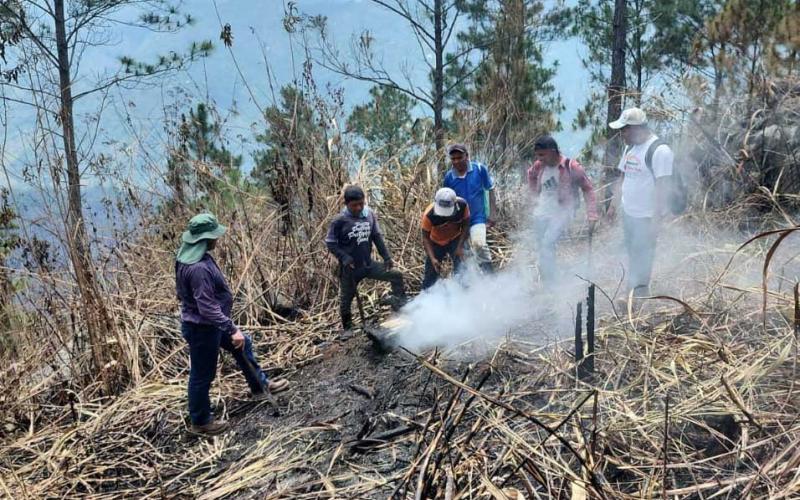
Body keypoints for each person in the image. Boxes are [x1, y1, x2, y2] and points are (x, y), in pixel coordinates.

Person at [176, 213, 289, 436]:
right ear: (204, 239)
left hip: (213, 324)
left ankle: (260, 386)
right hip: (203, 328)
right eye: (214, 235)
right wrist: (231, 328)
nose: (218, 239)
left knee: (243, 343)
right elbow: (206, 307)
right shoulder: (197, 268)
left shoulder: (194, 257)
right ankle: (200, 421)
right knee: (202, 374)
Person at [606, 107, 675, 299]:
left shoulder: (660, 151)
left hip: (646, 218)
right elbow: (622, 178)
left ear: (636, 128)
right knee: (633, 256)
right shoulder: (630, 148)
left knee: (643, 258)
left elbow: (663, 188)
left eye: (624, 130)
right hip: (630, 215)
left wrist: (655, 222)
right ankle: (633, 295)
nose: (621, 135)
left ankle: (638, 300)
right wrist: (613, 206)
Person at [326, 185, 407, 331]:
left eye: (361, 204)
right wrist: (344, 257)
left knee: (396, 276)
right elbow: (330, 242)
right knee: (346, 299)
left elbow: (376, 236)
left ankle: (400, 307)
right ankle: (348, 329)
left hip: (367, 264)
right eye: (354, 205)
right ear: (346, 204)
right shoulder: (339, 220)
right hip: (350, 269)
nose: (358, 208)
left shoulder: (369, 214)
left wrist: (386, 257)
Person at [527, 135, 598, 283]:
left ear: (553, 151)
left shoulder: (571, 167)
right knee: (542, 246)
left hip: (563, 211)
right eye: (537, 155)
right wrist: (534, 196)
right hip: (542, 209)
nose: (539, 159)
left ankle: (552, 285)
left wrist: (591, 215)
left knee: (547, 243)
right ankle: (548, 277)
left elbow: (588, 189)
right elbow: (531, 175)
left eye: (542, 155)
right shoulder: (540, 165)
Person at [443, 143, 498, 272]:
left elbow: (490, 189)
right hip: (460, 221)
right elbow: (447, 201)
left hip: (478, 217)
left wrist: (493, 214)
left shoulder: (479, 169)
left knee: (479, 244)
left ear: (466, 156)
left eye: (459, 157)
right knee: (464, 254)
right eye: (453, 159)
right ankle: (472, 284)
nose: (456, 161)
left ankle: (490, 275)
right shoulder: (449, 178)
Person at [420, 187, 471, 289]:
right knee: (431, 273)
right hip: (436, 242)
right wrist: (433, 258)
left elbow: (466, 225)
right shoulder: (429, 215)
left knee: (462, 268)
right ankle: (426, 297)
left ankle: (464, 292)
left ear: (454, 204)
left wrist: (460, 247)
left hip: (456, 239)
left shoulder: (463, 205)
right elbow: (425, 237)